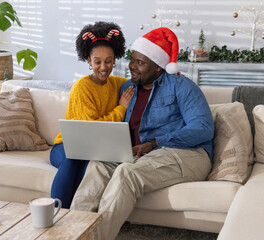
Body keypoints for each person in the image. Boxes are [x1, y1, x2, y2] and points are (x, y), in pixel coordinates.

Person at [70, 27, 214, 240]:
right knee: (98, 165)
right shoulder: (128, 88)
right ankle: (72, 232)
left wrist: (155, 143)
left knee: (127, 173)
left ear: (158, 68)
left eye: (140, 63)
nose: (132, 67)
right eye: (132, 60)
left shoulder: (182, 86)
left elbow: (203, 129)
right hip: (141, 155)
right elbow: (103, 83)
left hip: (186, 154)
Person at [50, 22, 134, 209]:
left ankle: (79, 218)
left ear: (114, 60)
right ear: (88, 61)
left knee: (94, 165)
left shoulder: (116, 83)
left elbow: (140, 81)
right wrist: (121, 109)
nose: (103, 67)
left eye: (109, 61)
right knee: (73, 159)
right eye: (97, 62)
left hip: (93, 151)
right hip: (65, 147)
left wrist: (169, 78)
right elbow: (93, 128)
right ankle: (56, 212)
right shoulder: (82, 87)